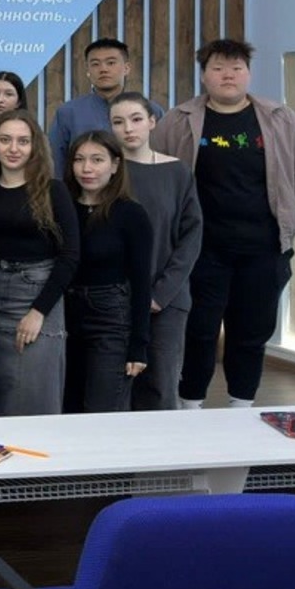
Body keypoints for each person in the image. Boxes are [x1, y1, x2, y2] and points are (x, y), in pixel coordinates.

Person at [154, 39, 295, 409]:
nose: (227, 75)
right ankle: (190, 405)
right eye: (217, 68)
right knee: (198, 330)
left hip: (264, 248)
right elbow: (157, 169)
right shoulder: (179, 119)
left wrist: (281, 202)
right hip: (201, 249)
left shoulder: (279, 118)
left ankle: (241, 407)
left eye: (236, 68)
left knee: (251, 332)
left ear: (248, 73)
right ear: (204, 76)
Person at [0, 111, 80, 416]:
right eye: (5, 140)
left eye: (23, 141)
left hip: (38, 298)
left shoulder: (54, 191)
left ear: (34, 147)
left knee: (35, 395)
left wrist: (38, 311)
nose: (13, 148)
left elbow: (70, 256)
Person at [109, 91, 203, 410]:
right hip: (114, 299)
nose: (128, 128)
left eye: (136, 119)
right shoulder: (105, 172)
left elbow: (191, 237)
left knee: (160, 386)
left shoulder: (177, 172)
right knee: (114, 387)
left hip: (166, 299)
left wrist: (161, 294)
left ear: (152, 122)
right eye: (118, 122)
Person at [62, 131, 154, 413]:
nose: (86, 168)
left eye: (97, 160)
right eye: (79, 160)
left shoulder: (131, 213)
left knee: (102, 409)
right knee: (67, 409)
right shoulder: (61, 206)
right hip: (64, 317)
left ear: (115, 165)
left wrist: (139, 346)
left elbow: (142, 282)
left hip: (110, 318)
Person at [49, 39, 163, 175]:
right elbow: (56, 162)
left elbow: (162, 154)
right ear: (88, 70)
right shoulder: (68, 112)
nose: (103, 69)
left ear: (126, 68)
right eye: (95, 64)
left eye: (111, 63)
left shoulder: (149, 110)